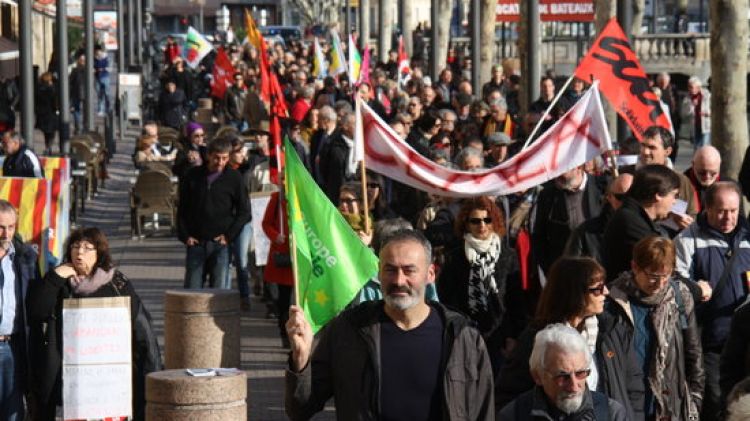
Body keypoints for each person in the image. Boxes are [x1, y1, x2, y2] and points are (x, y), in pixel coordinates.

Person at [285, 229, 494, 420]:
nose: (399, 281)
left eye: (409, 270)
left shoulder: (462, 337)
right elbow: (300, 408)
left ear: (430, 274)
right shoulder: (349, 330)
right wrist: (301, 361)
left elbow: (483, 411)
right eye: (390, 270)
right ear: (378, 273)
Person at [27, 227, 161, 420]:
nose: (79, 252)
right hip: (65, 380)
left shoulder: (117, 284)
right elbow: (36, 311)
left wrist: (150, 372)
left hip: (108, 384)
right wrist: (54, 278)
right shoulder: (59, 282)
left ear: (99, 254)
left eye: (87, 248)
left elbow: (142, 331)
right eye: (75, 246)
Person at [496, 257, 644, 420]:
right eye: (597, 289)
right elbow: (508, 395)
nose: (606, 292)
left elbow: (634, 388)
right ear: (575, 293)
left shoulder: (613, 331)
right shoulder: (539, 340)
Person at [606, 236, 704, 420]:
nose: (659, 284)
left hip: (670, 402)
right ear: (635, 267)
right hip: (629, 400)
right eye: (653, 276)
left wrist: (695, 400)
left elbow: (694, 352)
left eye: (666, 276)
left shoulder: (679, 297)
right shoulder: (614, 300)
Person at [674, 181, 749, 420]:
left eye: (733, 211)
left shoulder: (748, 237)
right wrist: (695, 289)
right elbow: (675, 284)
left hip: (745, 341)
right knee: (719, 403)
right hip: (711, 343)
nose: (728, 217)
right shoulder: (687, 240)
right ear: (707, 208)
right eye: (721, 210)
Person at [437, 197, 514, 360]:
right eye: (475, 221)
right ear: (466, 224)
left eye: (487, 220)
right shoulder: (455, 257)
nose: (482, 226)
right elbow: (447, 298)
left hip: (500, 335)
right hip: (465, 335)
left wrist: (512, 336)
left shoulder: (508, 256)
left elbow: (517, 300)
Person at [497, 324, 627, 420]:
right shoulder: (513, 416)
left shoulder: (611, 414)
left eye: (580, 373)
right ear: (538, 376)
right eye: (562, 377)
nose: (574, 387)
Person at [177, 137, 250, 290]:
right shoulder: (193, 176)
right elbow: (182, 208)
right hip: (196, 242)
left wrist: (228, 236)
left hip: (220, 245)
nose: (220, 162)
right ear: (209, 155)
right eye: (216, 158)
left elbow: (244, 212)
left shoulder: (234, 178)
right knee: (192, 290)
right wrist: (185, 236)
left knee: (219, 293)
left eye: (224, 158)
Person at [603, 164, 679, 281]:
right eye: (674, 195)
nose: (675, 202)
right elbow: (661, 267)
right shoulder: (629, 222)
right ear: (658, 195)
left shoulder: (634, 217)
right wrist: (698, 290)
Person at [0, 201, 40, 420]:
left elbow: (36, 304)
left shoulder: (26, 259)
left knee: (13, 412)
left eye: (11, 227)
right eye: (0, 227)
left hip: (13, 346)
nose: (6, 233)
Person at [533, 166, 606, 275]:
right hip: (565, 274)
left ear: (578, 166)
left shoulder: (602, 187)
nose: (557, 175)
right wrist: (550, 270)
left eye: (561, 169)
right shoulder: (547, 195)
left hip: (599, 270)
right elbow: (539, 237)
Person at [565, 173, 633, 264]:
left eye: (633, 196)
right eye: (621, 197)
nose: (629, 202)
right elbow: (570, 269)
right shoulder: (585, 232)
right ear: (609, 197)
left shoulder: (649, 227)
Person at [684, 145, 722, 212]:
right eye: (702, 172)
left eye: (713, 173)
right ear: (693, 165)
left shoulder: (729, 186)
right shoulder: (681, 184)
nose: (707, 177)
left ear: (719, 167)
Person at [678, 75, 711, 148]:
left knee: (704, 146)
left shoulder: (707, 95)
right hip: (694, 126)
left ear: (698, 87)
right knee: (696, 147)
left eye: (692, 87)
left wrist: (706, 113)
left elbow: (713, 110)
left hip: (706, 126)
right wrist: (691, 106)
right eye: (689, 87)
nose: (690, 89)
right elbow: (683, 114)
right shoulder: (687, 98)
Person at [34, 72, 58, 155]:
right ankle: (48, 147)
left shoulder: (39, 88)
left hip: (42, 114)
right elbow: (54, 102)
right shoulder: (51, 89)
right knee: (51, 132)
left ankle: (47, 146)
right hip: (50, 113)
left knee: (46, 133)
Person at [93, 46, 110, 115]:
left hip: (105, 77)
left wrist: (103, 69)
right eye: (96, 51)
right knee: (99, 94)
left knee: (106, 94)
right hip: (97, 78)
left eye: (99, 51)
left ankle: (107, 109)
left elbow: (109, 67)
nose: (98, 52)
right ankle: (100, 109)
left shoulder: (105, 58)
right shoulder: (94, 59)